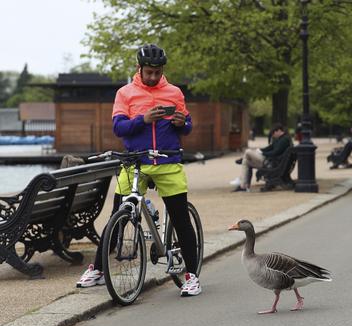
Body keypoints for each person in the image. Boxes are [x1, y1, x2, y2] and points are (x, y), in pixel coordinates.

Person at [76, 44, 201, 296]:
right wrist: (143, 119)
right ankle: (98, 270)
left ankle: (191, 276)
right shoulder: (125, 93)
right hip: (135, 162)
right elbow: (119, 128)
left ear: (162, 70)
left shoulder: (174, 92)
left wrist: (182, 122)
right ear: (139, 69)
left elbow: (186, 126)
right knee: (116, 217)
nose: (153, 77)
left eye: (157, 72)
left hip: (168, 161)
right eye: (149, 72)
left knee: (181, 219)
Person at [232, 125, 292, 192]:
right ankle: (243, 186)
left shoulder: (284, 140)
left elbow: (275, 152)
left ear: (279, 131)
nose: (273, 135)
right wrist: (260, 150)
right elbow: (269, 148)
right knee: (246, 161)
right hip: (271, 162)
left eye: (273, 133)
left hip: (270, 163)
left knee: (247, 151)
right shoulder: (281, 139)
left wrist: (262, 153)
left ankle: (241, 175)